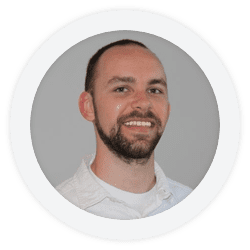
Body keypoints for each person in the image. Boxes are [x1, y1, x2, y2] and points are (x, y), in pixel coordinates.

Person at [56, 39, 192, 220]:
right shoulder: (55, 208)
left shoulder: (192, 204)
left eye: (154, 90)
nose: (144, 102)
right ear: (88, 106)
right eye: (121, 89)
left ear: (167, 108)